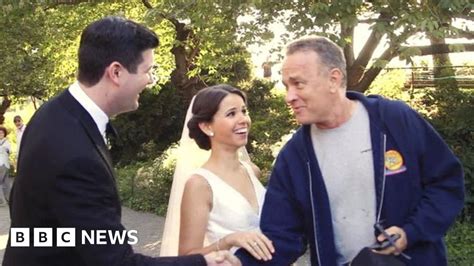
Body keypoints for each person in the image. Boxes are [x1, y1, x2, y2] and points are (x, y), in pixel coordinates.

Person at [4, 16, 240, 266]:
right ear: (116, 72)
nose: (150, 80)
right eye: (148, 71)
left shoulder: (54, 113)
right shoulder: (76, 156)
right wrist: (202, 263)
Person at [235, 36, 465, 265]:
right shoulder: (294, 157)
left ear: (333, 79)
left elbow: (445, 183)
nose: (289, 97)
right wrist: (238, 263)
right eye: (286, 86)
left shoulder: (393, 121)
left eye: (298, 84)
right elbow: (281, 236)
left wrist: (411, 232)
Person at [160, 85, 274, 261]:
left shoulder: (252, 171)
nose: (243, 119)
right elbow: (187, 257)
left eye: (244, 111)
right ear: (206, 127)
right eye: (231, 114)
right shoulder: (199, 184)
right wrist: (229, 240)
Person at [0, 125, 11, 206]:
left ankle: (3, 201)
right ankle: (8, 199)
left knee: (4, 183)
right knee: (6, 183)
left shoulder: (6, 142)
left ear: (4, 134)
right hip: (3, 164)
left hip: (3, 164)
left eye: (2, 133)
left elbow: (8, 151)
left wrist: (5, 149)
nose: (0, 134)